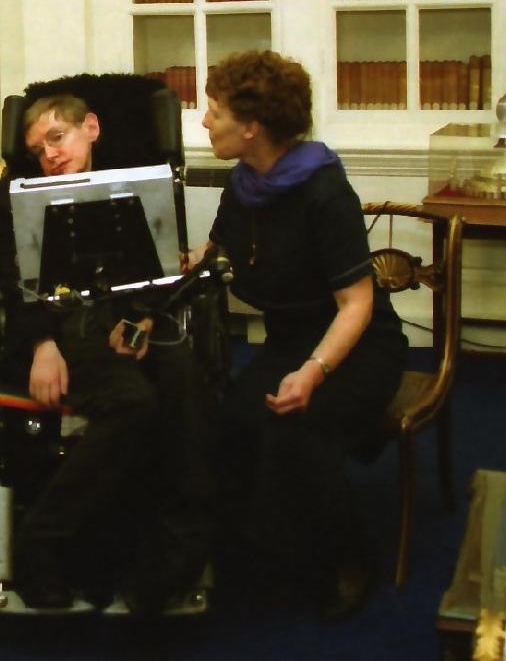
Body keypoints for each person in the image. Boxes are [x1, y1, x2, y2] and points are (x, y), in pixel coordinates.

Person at [0, 93, 215, 613]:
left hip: (134, 316)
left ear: (91, 127)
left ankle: (176, 551)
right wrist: (42, 345)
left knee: (185, 381)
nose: (49, 155)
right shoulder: (7, 200)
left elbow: (164, 270)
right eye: (38, 149)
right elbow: (13, 284)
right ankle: (41, 543)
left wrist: (144, 317)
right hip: (63, 326)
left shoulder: (142, 186)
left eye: (57, 137)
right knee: (133, 403)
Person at [198, 50, 407, 621]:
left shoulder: (324, 191)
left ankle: (346, 559)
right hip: (292, 340)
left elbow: (357, 304)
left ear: (252, 126)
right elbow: (214, 253)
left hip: (359, 346)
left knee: (297, 424)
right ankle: (258, 555)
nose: (205, 121)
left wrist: (313, 372)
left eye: (214, 111)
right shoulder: (243, 185)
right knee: (235, 420)